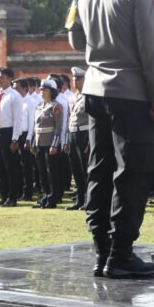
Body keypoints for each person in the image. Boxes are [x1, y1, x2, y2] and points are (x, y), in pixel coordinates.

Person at [68, 0, 154, 278]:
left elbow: (75, 39)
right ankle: (121, 253)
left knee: (99, 169)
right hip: (130, 93)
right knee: (134, 172)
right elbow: (149, 47)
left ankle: (101, 251)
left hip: (93, 89)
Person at [30, 79, 64, 209]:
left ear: (52, 91)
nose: (41, 91)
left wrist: (55, 145)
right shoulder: (39, 105)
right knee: (42, 172)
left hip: (50, 144)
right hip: (39, 143)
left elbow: (58, 128)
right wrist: (33, 143)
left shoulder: (56, 106)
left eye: (44, 89)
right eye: (41, 89)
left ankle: (52, 198)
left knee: (52, 173)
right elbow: (35, 126)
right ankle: (45, 196)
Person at [0, 67, 24, 208]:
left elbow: (18, 119)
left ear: (10, 79)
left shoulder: (14, 96)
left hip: (9, 133)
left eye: (2, 77)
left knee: (10, 166)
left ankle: (13, 197)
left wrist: (15, 139)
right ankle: (4, 195)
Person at [65, 67, 89, 211]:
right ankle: (79, 199)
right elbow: (69, 119)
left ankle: (88, 199)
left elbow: (93, 120)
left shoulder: (89, 96)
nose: (75, 81)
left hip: (84, 134)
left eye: (78, 79)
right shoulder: (72, 97)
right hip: (73, 134)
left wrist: (90, 141)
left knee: (85, 169)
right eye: (74, 79)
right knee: (76, 170)